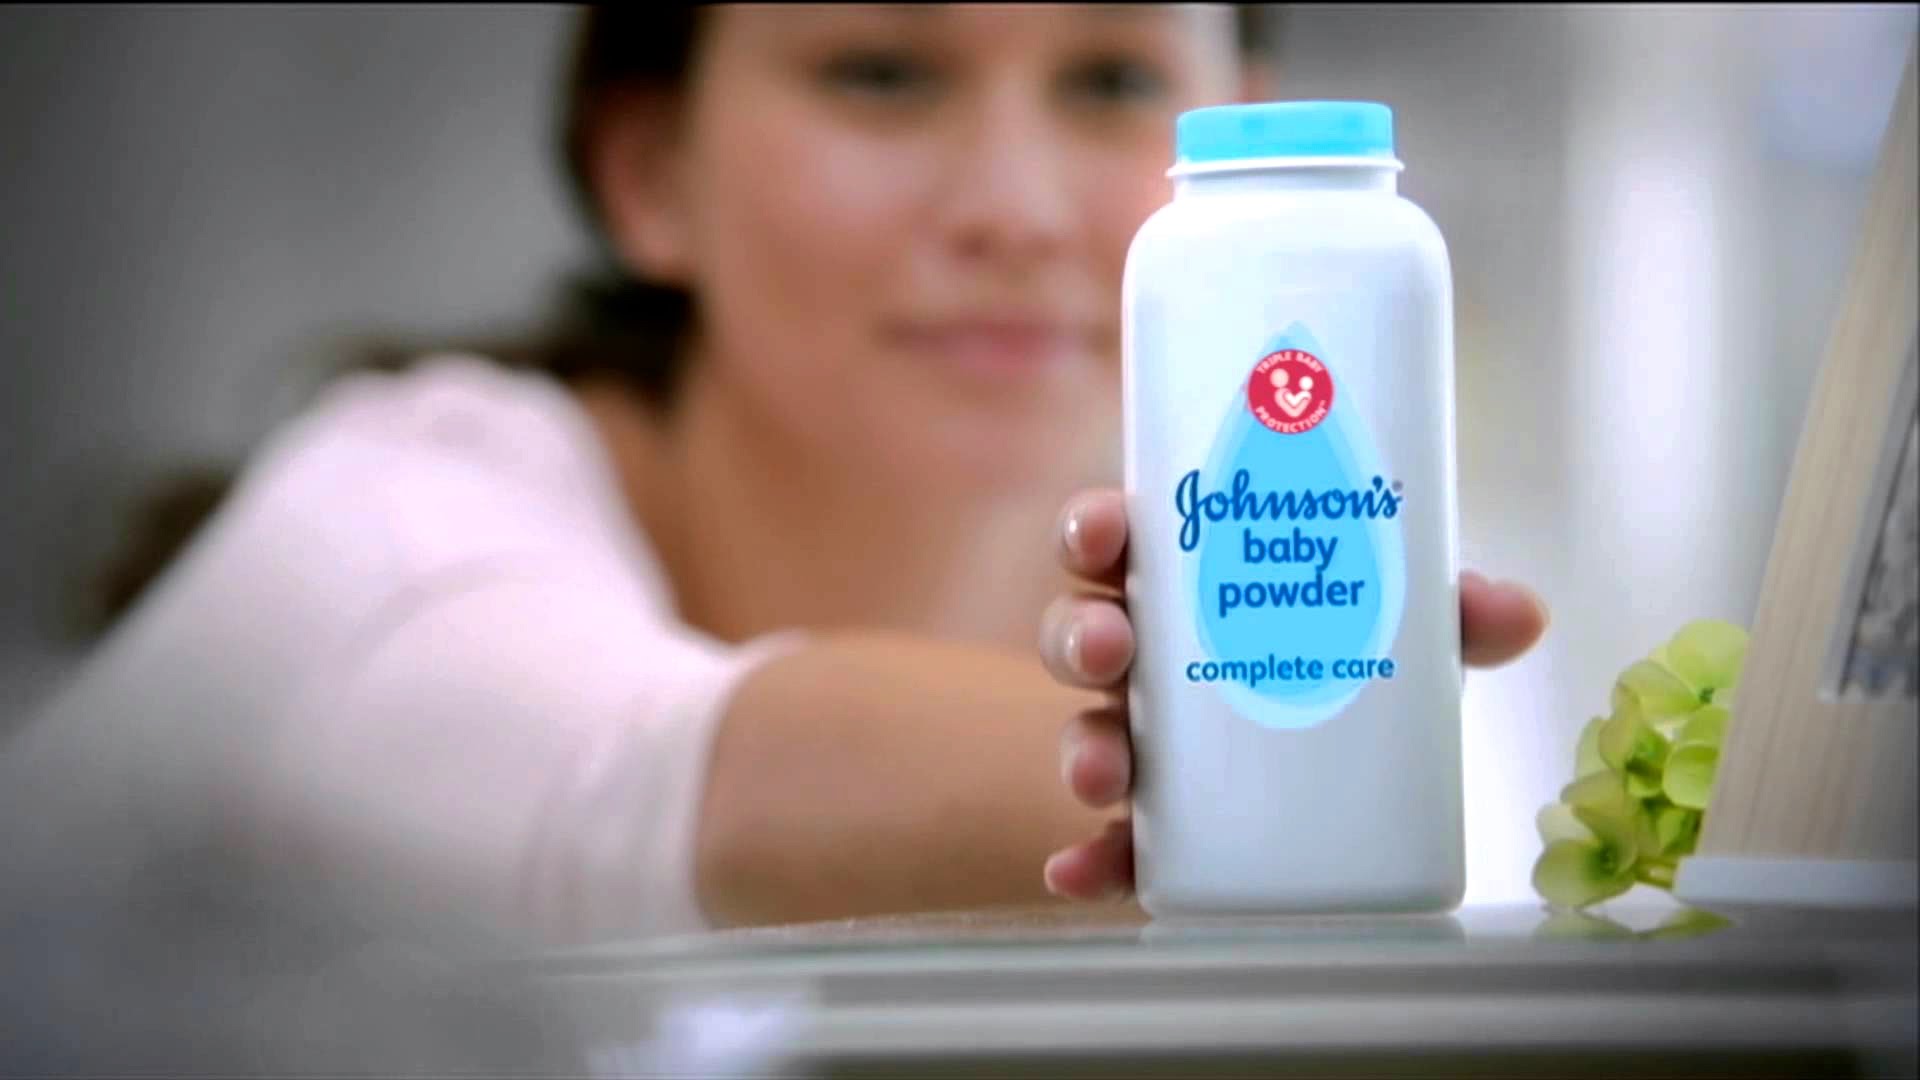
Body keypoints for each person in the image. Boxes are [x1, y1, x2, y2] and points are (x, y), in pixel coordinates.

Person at [0, 4, 1547, 952]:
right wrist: (1333, 760)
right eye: (880, 71)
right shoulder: (378, 531)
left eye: (1112, 80)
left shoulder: (1170, 579)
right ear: (650, 174)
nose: (1014, 208)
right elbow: (653, 782)